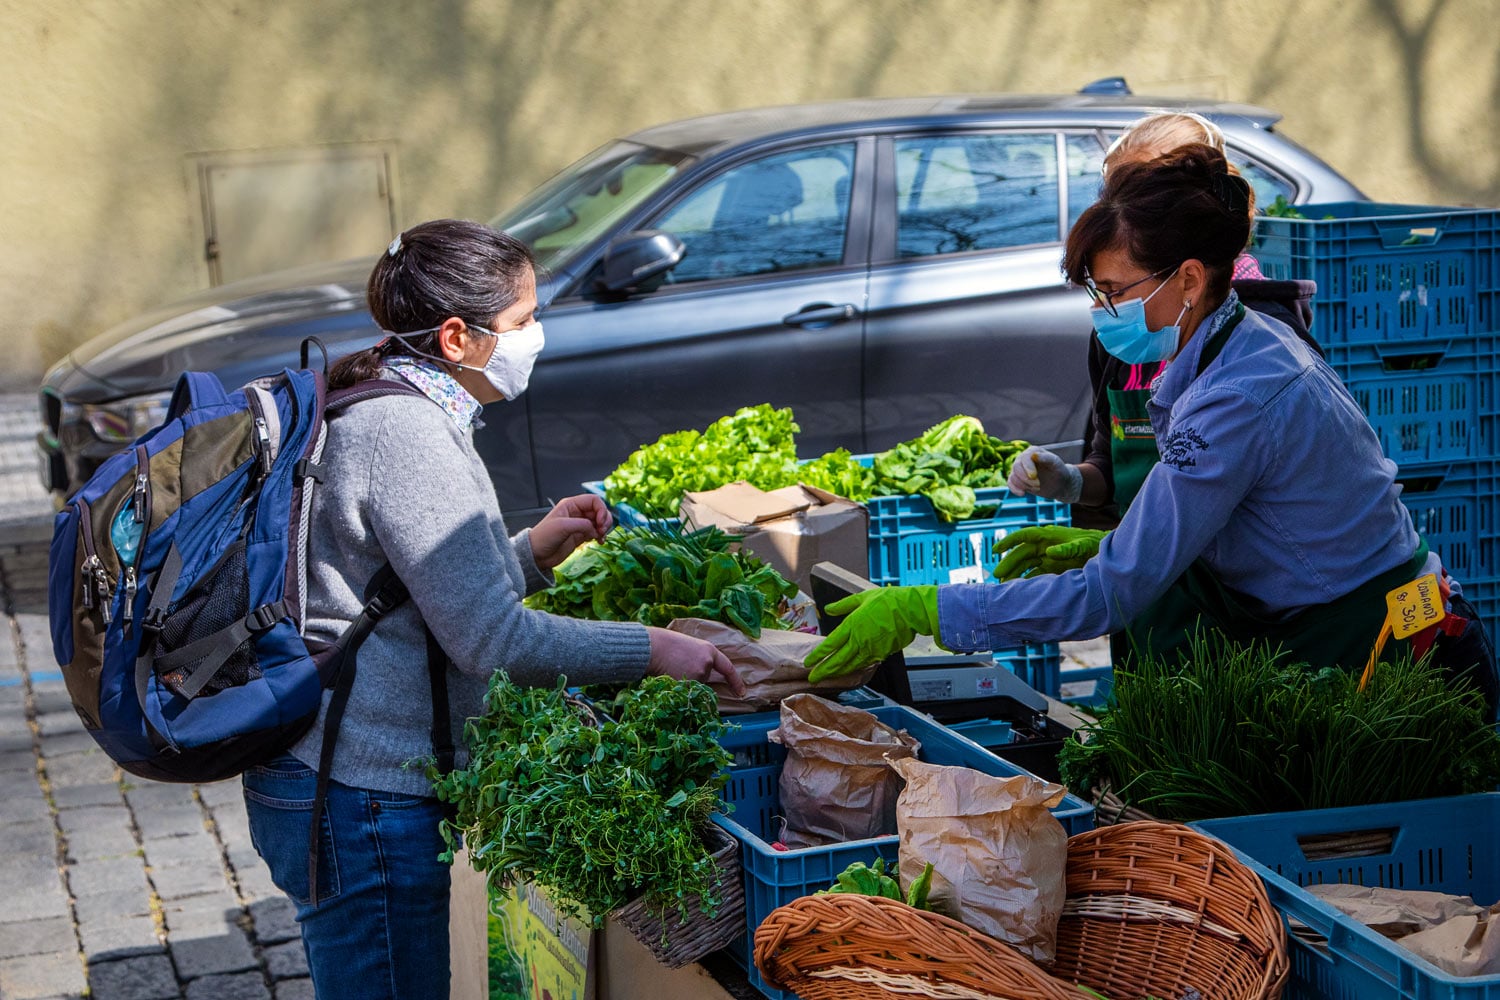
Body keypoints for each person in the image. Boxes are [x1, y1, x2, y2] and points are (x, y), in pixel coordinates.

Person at [804, 146, 1498, 720]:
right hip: (1356, 617)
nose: (1102, 311)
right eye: (1094, 293)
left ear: (1188, 279)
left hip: (1388, 653)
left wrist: (928, 606)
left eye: (1114, 290)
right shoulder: (1237, 343)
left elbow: (1107, 596)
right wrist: (1108, 540)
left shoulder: (1237, 396)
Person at [240, 219, 745, 999]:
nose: (536, 336)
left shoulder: (392, 398)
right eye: (521, 322)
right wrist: (651, 648)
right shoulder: (406, 435)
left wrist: (529, 552)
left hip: (335, 780)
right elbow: (491, 640)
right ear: (454, 336)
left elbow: (412, 596)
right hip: (361, 798)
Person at [1003, 113, 1318, 577]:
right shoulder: (1124, 325)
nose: (1122, 218)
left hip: (1239, 601)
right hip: (1148, 589)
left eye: (1141, 199)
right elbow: (1110, 467)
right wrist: (1069, 482)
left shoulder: (1263, 346)